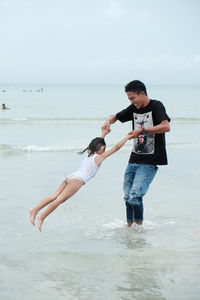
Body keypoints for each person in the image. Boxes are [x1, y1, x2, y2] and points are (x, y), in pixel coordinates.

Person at [29, 129, 133, 231]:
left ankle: (35, 209)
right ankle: (42, 216)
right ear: (101, 147)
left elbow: (98, 141)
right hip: (78, 180)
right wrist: (127, 137)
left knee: (54, 196)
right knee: (60, 199)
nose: (105, 149)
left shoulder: (91, 153)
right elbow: (116, 147)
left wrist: (103, 133)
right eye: (103, 147)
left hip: (70, 176)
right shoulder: (100, 157)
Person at [102, 80, 170, 227]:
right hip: (134, 158)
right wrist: (108, 121)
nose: (132, 102)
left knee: (135, 197)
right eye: (129, 99)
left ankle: (139, 231)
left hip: (150, 160)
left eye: (133, 98)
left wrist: (142, 130)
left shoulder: (156, 106)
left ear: (142, 93)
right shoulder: (134, 108)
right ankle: (130, 228)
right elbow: (116, 116)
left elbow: (166, 126)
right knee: (127, 197)